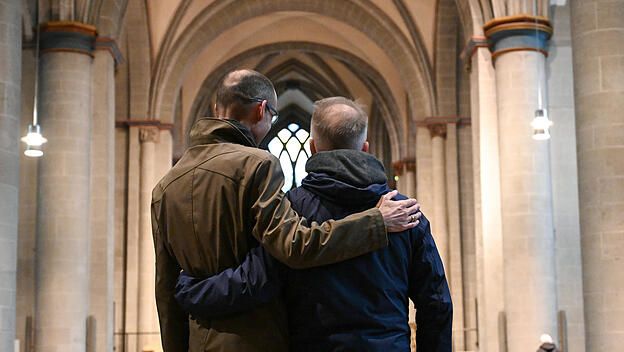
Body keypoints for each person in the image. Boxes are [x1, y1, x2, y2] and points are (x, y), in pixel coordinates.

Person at [151, 71, 422, 352]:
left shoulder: (165, 186)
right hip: (255, 341)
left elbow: (166, 291)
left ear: (216, 109)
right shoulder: (256, 165)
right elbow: (294, 246)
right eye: (273, 116)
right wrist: (375, 222)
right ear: (261, 110)